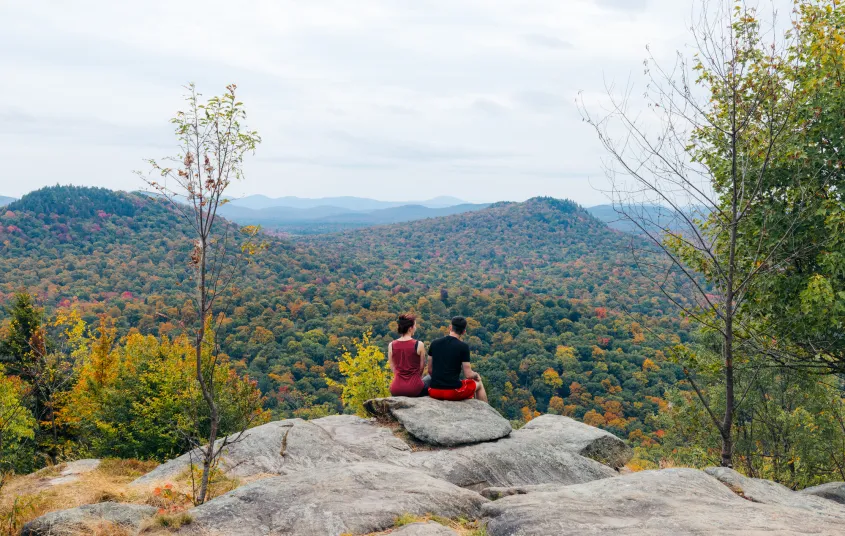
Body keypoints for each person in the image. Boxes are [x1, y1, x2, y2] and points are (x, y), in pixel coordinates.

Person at [427, 316, 488, 402]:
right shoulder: (463, 347)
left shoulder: (434, 343)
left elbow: (430, 370)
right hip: (453, 392)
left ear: (450, 327)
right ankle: (484, 413)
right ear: (463, 332)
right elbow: (468, 375)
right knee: (479, 384)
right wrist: (476, 375)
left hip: (433, 391)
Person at [387, 313, 429, 397]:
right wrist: (416, 378)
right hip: (414, 388)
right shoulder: (418, 344)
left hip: (396, 388)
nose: (415, 328)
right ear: (410, 328)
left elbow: (392, 367)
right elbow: (421, 367)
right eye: (415, 326)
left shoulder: (391, 345)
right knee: (430, 380)